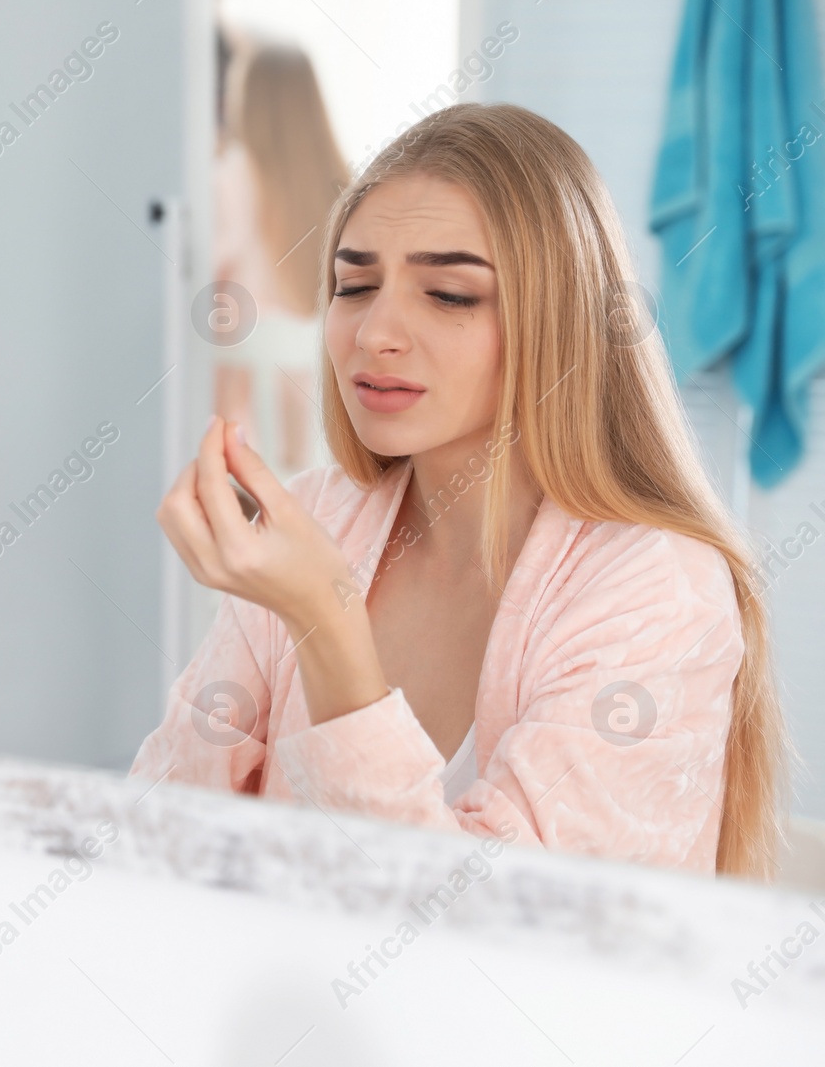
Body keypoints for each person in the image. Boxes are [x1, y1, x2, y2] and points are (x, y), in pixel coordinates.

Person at [134, 103, 791, 880]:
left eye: (447, 294)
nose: (376, 331)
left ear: (561, 322)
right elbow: (158, 831)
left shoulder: (658, 590)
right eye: (354, 284)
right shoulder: (315, 520)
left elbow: (488, 940)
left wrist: (326, 620)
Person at [210, 40, 347, 476]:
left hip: (247, 430)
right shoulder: (343, 183)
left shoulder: (229, 177)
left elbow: (215, 292)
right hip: (327, 430)